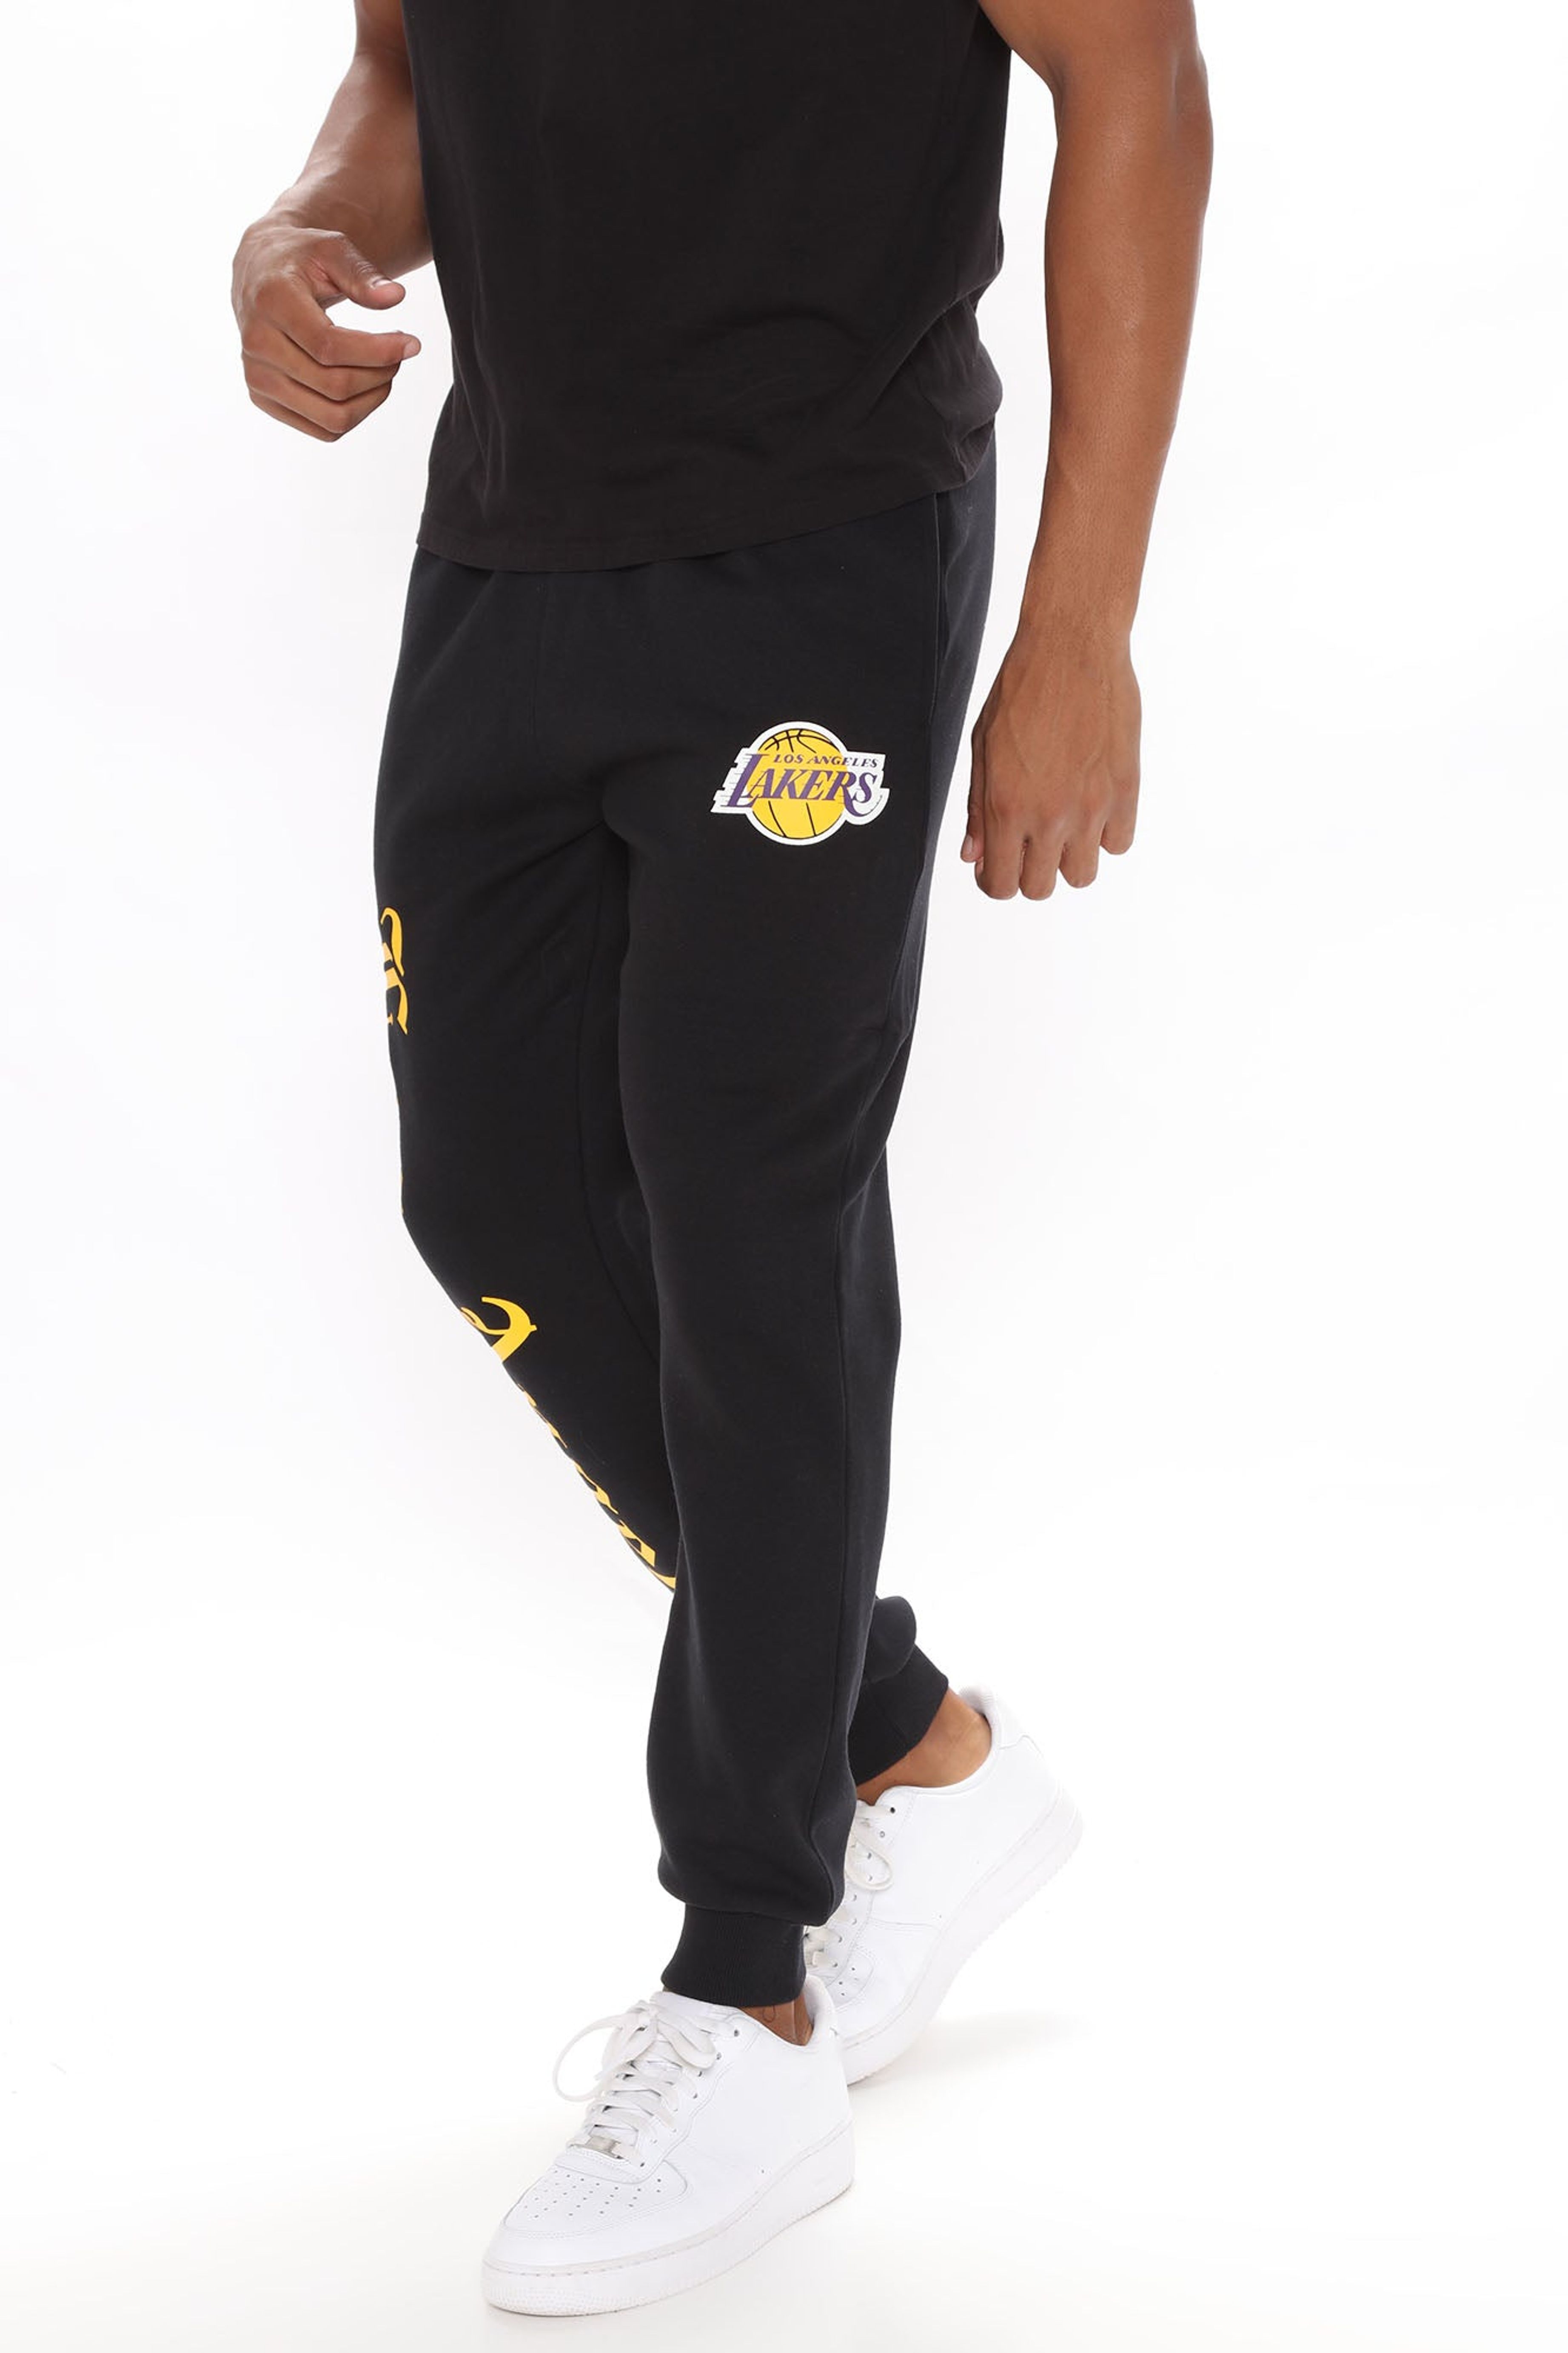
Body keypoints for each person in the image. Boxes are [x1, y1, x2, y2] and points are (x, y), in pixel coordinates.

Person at [231, 0, 1210, 2315]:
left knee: (748, 1216)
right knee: (492, 1202)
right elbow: (408, 74)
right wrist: (304, 227)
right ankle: (902, 1741)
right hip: (511, 549)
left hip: (823, 549)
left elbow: (1137, 77)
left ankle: (749, 1976)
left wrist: (1078, 625)